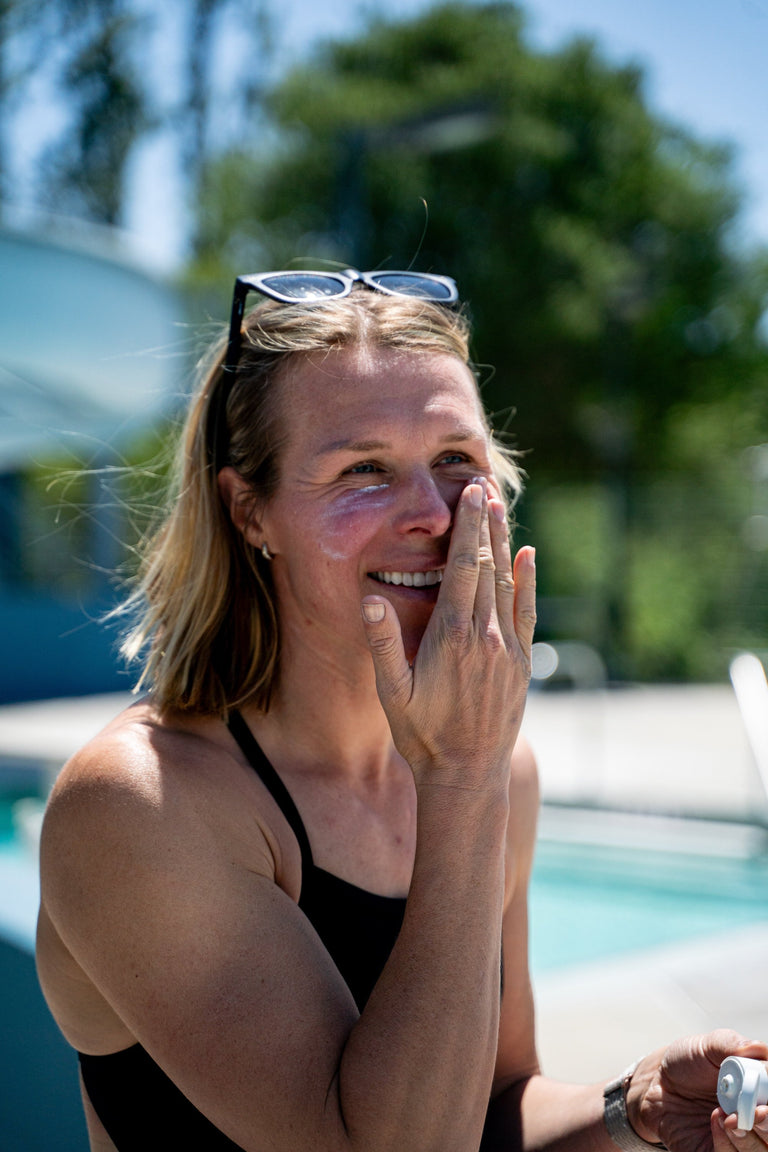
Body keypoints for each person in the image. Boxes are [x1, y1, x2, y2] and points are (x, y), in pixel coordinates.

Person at [36, 268, 767, 1152]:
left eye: (457, 460)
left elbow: (487, 1105)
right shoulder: (139, 806)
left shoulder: (501, 769)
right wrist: (461, 780)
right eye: (364, 470)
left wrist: (631, 1110)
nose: (430, 512)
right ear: (248, 511)